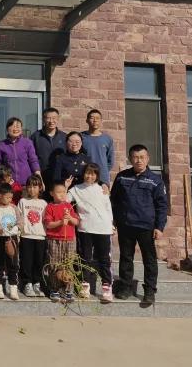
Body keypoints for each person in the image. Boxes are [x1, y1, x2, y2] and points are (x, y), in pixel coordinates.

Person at [110, 144, 167, 306]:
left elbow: (162, 206)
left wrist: (159, 227)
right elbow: (113, 201)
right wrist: (113, 220)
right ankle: (125, 287)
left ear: (148, 159)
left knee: (149, 260)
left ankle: (149, 290)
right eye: (135, 157)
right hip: (125, 225)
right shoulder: (122, 177)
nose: (139, 160)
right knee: (125, 257)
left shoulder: (155, 181)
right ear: (130, 159)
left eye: (142, 157)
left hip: (146, 227)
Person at [68, 163, 114, 302]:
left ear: (97, 176)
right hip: (85, 228)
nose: (90, 176)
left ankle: (106, 287)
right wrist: (66, 186)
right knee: (85, 258)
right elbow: (64, 200)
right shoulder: (76, 189)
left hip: (103, 228)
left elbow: (108, 208)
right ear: (83, 174)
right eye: (87, 173)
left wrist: (111, 224)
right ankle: (85, 286)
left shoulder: (102, 189)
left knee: (104, 259)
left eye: (93, 174)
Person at [44, 182, 80, 302]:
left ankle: (69, 289)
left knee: (68, 264)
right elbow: (48, 224)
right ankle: (54, 289)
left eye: (64, 192)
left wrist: (70, 218)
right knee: (54, 264)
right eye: (59, 192)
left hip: (69, 239)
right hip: (54, 239)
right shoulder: (50, 207)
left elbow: (76, 222)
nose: (62, 194)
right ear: (51, 193)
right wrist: (60, 222)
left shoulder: (69, 206)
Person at [16, 174, 48, 298]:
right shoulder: (23, 201)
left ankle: (37, 283)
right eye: (29, 186)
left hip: (40, 236)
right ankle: (27, 283)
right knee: (26, 261)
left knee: (39, 261)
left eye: (35, 187)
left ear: (40, 188)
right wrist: (18, 234)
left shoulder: (44, 203)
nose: (32, 189)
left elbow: (46, 220)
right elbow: (19, 218)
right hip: (26, 236)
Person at [0, 184, 20, 300]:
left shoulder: (14, 208)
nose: (9, 199)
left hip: (12, 238)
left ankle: (13, 287)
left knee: (13, 263)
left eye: (11, 197)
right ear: (0, 196)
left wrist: (16, 228)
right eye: (7, 197)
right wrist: (0, 228)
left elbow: (20, 221)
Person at [0, 117, 41, 187]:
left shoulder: (27, 142)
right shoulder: (2, 145)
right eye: (13, 126)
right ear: (7, 129)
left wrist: (39, 178)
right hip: (9, 183)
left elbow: (33, 161)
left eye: (18, 127)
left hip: (26, 183)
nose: (15, 129)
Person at [29, 108, 67, 189]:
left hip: (60, 177)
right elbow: (30, 157)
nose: (51, 121)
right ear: (43, 119)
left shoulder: (64, 137)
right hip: (41, 177)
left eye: (54, 118)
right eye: (48, 118)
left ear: (58, 119)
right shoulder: (35, 137)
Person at [81, 109, 115, 185]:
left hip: (102, 178)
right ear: (87, 120)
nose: (95, 120)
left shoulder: (107, 138)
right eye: (92, 118)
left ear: (101, 121)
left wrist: (102, 171)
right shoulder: (81, 137)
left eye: (97, 118)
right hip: (86, 176)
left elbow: (110, 160)